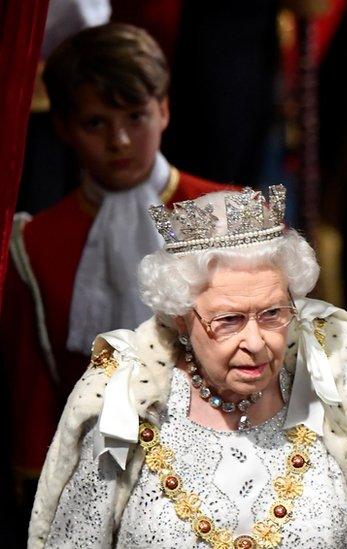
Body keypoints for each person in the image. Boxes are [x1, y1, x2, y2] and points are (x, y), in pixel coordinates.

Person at [27, 187, 347, 547]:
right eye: (228, 320)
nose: (255, 342)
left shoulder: (338, 364)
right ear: (181, 317)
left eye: (273, 313)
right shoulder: (128, 394)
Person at [1, 22, 231, 512]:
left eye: (136, 116)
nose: (121, 140)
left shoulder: (227, 215)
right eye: (96, 123)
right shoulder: (36, 243)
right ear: (63, 128)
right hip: (94, 487)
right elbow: (36, 394)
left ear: (164, 109)